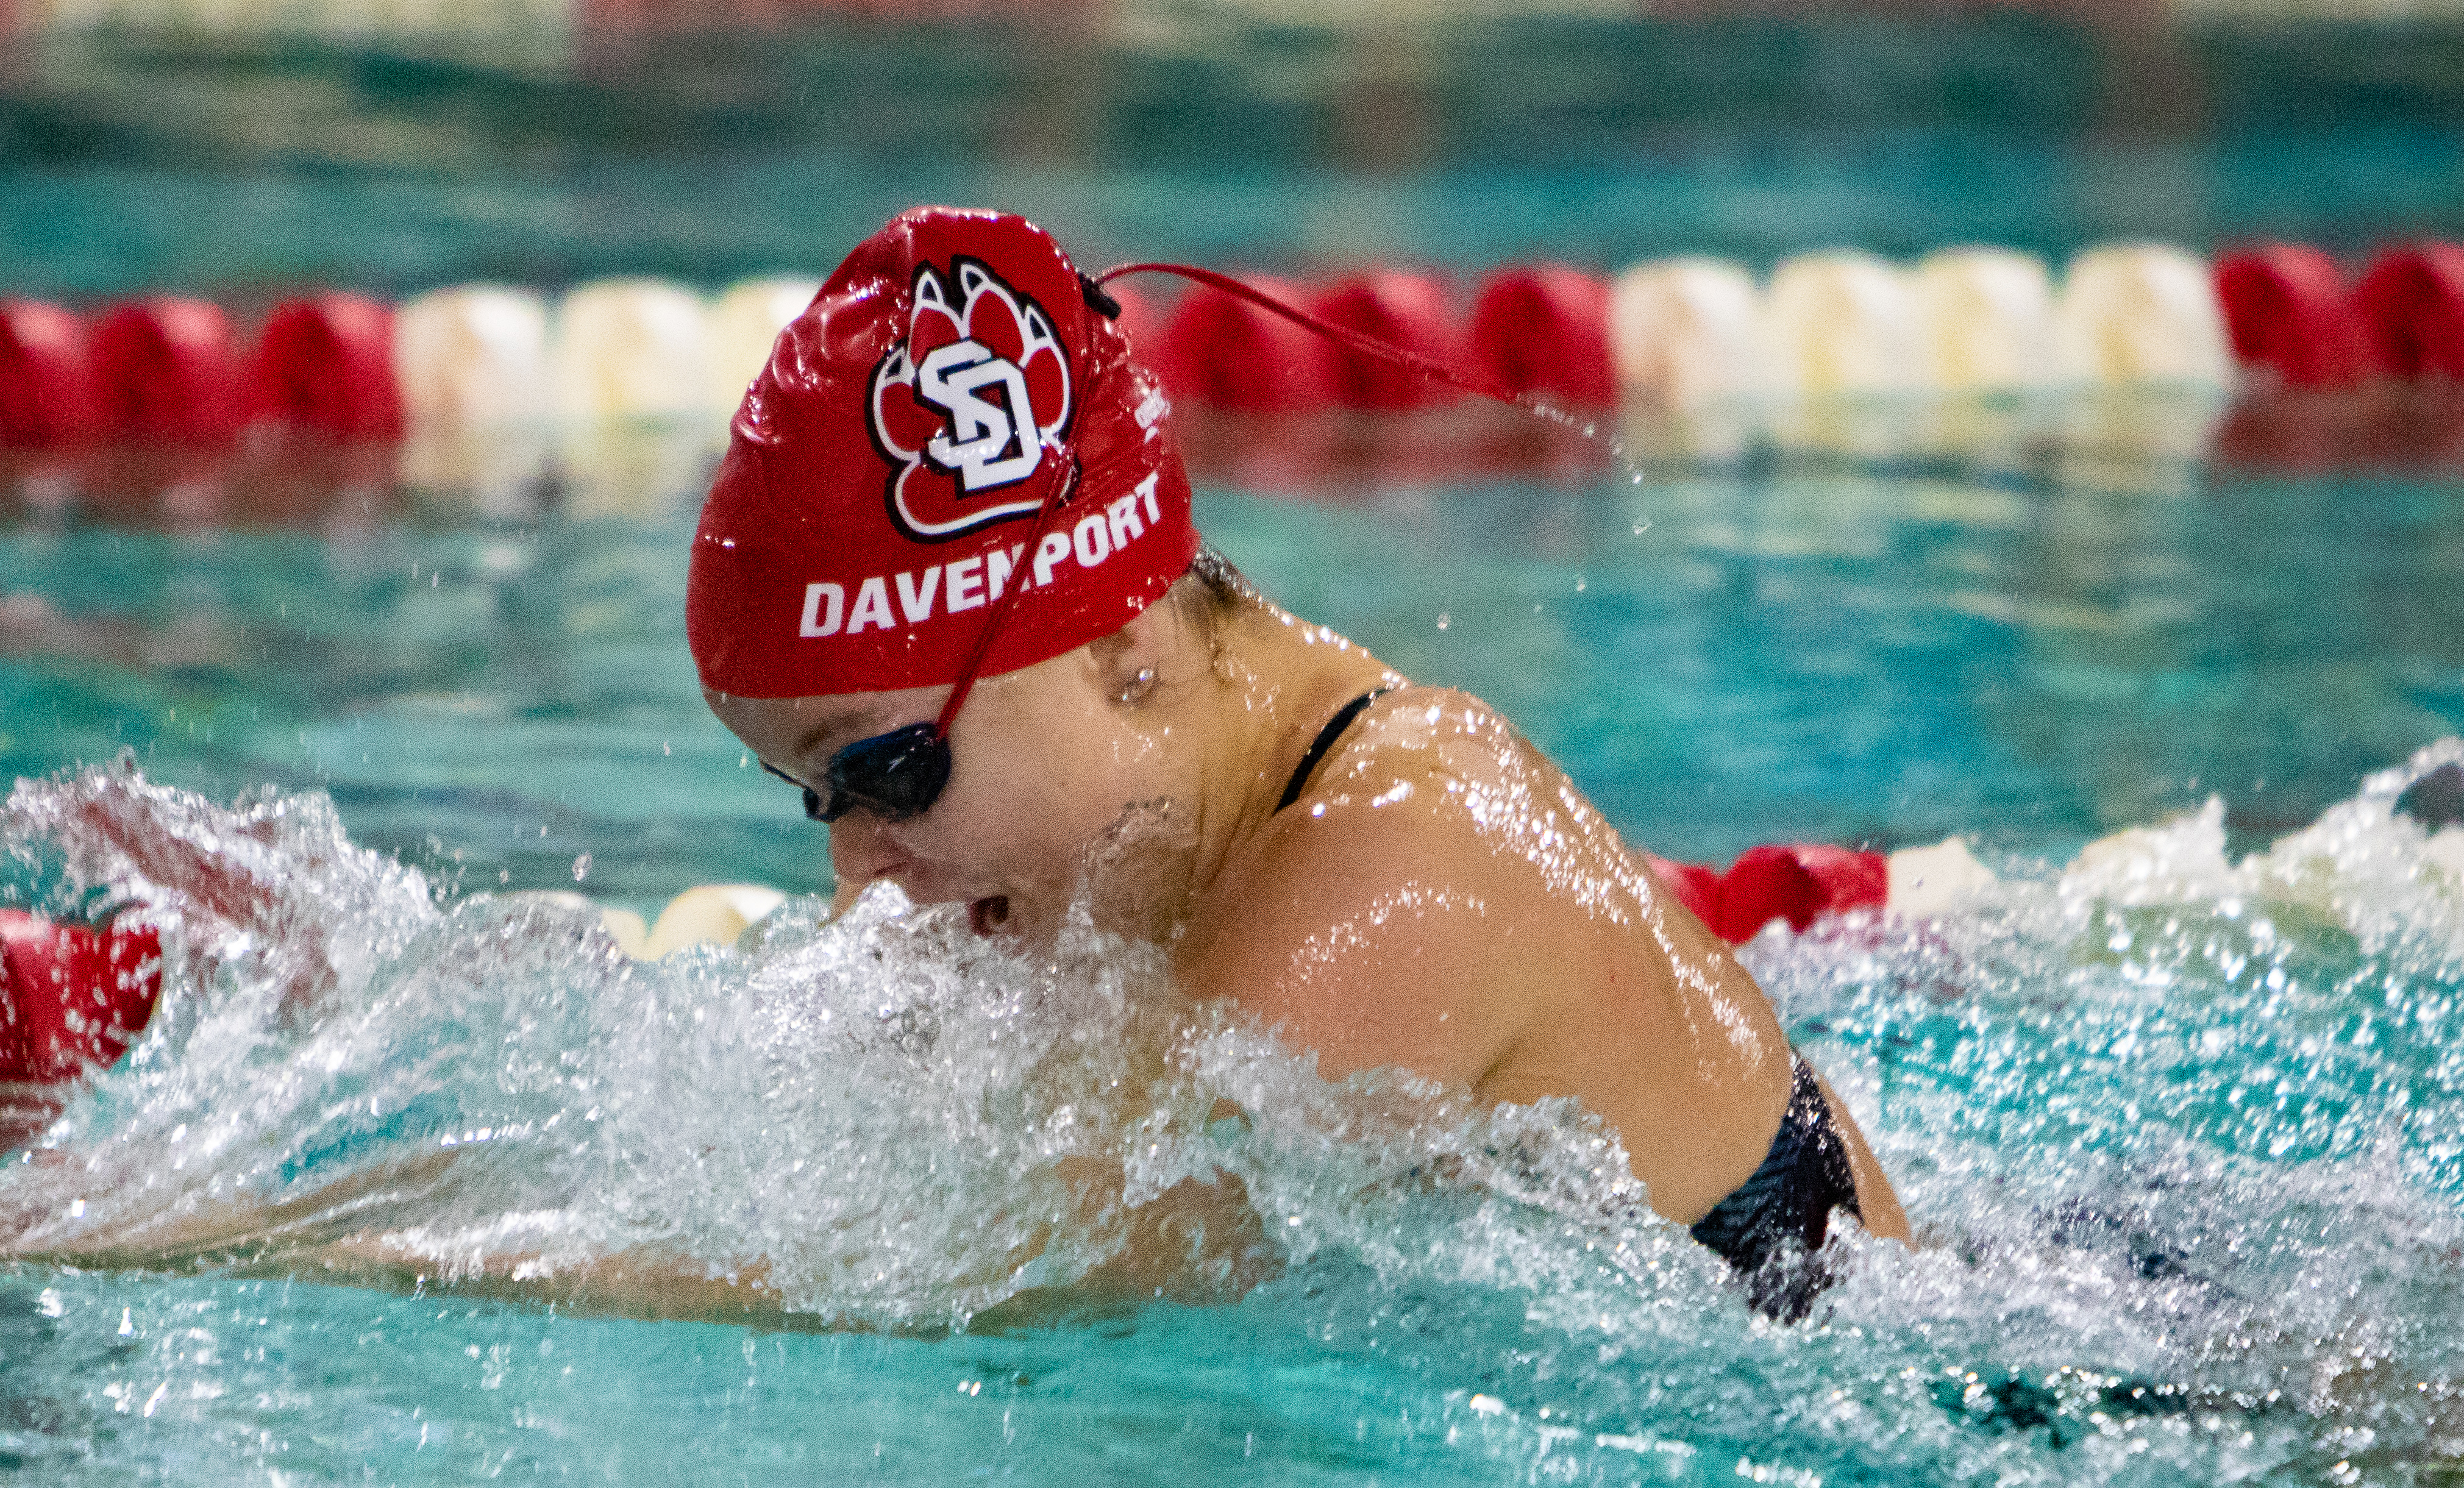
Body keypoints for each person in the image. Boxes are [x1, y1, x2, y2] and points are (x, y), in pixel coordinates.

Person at [691, 206, 1907, 1319]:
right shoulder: (1160, 849)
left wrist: (539, 1268)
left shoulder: (1408, 855)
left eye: (893, 777)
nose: (863, 870)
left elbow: (1035, 1279)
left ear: (1124, 643)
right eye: (817, 799)